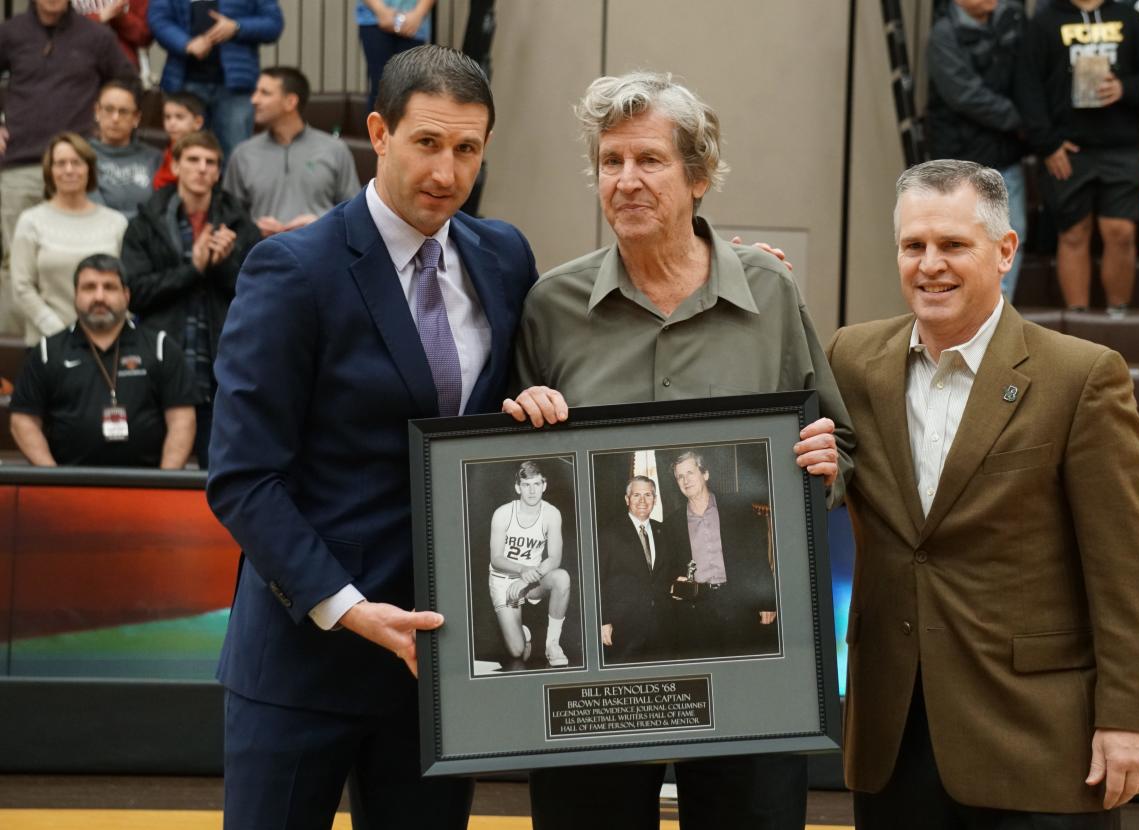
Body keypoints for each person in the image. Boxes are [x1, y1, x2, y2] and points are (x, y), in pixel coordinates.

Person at [504, 70, 854, 830]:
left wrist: (826, 468)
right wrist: (521, 424)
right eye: (610, 162)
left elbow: (839, 442)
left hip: (751, 660)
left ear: (698, 175)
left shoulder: (770, 291)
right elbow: (509, 474)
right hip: (599, 665)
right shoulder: (551, 306)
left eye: (650, 161)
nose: (626, 181)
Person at [205, 45, 538, 828]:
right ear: (379, 133)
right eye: (428, 143)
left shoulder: (506, 258)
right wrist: (348, 607)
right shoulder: (292, 268)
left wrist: (722, 262)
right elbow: (243, 478)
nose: (447, 173)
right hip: (302, 663)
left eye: (467, 149)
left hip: (435, 666)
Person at [826, 159, 1139, 828]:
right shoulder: (851, 360)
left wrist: (1130, 718)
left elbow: (1126, 567)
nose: (930, 265)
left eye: (953, 245)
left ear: (1005, 250)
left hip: (1038, 743)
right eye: (913, 245)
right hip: (893, 740)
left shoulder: (1082, 376)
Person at [121, 130, 260, 468]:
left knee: (220, 474)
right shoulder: (145, 222)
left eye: (210, 162)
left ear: (218, 172)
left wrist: (224, 265)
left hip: (221, 369)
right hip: (160, 366)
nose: (201, 169)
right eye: (193, 160)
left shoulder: (241, 225)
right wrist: (193, 268)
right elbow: (135, 294)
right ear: (176, 165)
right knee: (153, 472)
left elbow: (258, 299)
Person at [1016, 0, 1139, 314]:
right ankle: (1077, 323)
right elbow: (1027, 87)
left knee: (1121, 232)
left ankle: (1118, 316)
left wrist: (1125, 88)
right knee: (1073, 233)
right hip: (1067, 149)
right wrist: (1048, 144)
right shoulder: (1043, 22)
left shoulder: (1128, 17)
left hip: (1121, 146)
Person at [0, 0, 133, 336]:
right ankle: (16, 360)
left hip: (76, 165)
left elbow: (128, 81)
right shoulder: (10, 33)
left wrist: (106, 118)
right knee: (11, 265)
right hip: (19, 163)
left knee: (85, 259)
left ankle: (82, 344)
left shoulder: (96, 36)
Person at [9, 253, 196, 468]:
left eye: (109, 287)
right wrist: (52, 478)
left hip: (146, 486)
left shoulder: (160, 348)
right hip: (68, 487)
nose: (99, 297)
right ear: (75, 295)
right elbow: (23, 420)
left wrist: (165, 483)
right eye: (89, 287)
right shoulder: (46, 352)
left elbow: (182, 420)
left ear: (126, 295)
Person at [927, 0, 1028, 301]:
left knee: (1009, 239)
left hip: (1006, 158)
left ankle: (999, 318)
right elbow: (965, 95)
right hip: (960, 165)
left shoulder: (1012, 22)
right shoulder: (943, 35)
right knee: (962, 243)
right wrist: (1022, 120)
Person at [11, 133, 129, 346]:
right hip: (47, 343)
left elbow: (127, 284)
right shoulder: (31, 221)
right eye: (60, 163)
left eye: (76, 162)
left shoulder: (116, 222)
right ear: (50, 171)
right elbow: (21, 286)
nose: (69, 170)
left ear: (89, 169)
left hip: (108, 342)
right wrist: (59, 333)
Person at [663, 449, 776, 659]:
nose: (685, 480)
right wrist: (673, 583)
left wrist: (767, 600)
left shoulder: (738, 509)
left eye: (690, 473)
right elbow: (668, 568)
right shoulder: (671, 524)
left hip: (738, 604)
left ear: (705, 474)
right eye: (680, 476)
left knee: (741, 671)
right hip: (695, 610)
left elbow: (757, 553)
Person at [223, 66, 362, 237]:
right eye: (255, 92)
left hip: (321, 252)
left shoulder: (335, 149)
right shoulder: (243, 153)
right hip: (262, 253)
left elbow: (355, 213)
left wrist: (320, 223)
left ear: (290, 102)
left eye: (264, 93)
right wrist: (253, 229)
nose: (254, 100)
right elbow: (229, 218)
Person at [147, 0, 284, 161]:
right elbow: (158, 20)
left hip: (236, 88)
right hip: (184, 83)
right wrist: (186, 44)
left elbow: (273, 23)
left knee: (235, 155)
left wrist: (237, 27)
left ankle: (229, 188)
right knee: (185, 152)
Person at [486, 460, 571, 669]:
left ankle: (552, 644)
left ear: (544, 485)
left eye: (536, 484)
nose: (532, 491)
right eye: (526, 485)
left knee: (562, 578)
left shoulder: (552, 514)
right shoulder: (503, 513)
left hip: (533, 579)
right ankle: (523, 635)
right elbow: (496, 559)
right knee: (517, 651)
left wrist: (527, 577)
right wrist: (523, 571)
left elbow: (554, 558)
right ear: (518, 487)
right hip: (504, 580)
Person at [598, 474, 680, 664]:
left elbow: (669, 573)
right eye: (636, 495)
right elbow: (597, 580)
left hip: (663, 626)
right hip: (623, 628)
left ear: (655, 499)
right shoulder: (609, 533)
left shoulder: (665, 531)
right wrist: (603, 620)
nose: (642, 501)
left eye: (648, 495)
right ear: (627, 499)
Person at [89, 79, 163, 219]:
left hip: (144, 237)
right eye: (109, 109)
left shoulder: (155, 158)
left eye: (123, 111)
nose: (115, 118)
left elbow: (160, 210)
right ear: (97, 112)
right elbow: (92, 212)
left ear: (136, 118)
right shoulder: (81, 155)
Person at [357, 0, 436, 112]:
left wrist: (418, 14)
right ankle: (378, 128)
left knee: (409, 89)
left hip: (414, 23)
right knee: (380, 86)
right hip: (374, 18)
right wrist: (380, 10)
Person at [152, 92, 207, 192]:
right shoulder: (167, 151)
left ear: (198, 122)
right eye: (167, 117)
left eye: (179, 117)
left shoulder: (202, 154)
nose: (172, 123)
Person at [75, 0, 154, 66]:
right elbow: (64, 29)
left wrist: (119, 16)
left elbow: (144, 36)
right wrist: (99, 17)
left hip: (121, 69)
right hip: (76, 67)